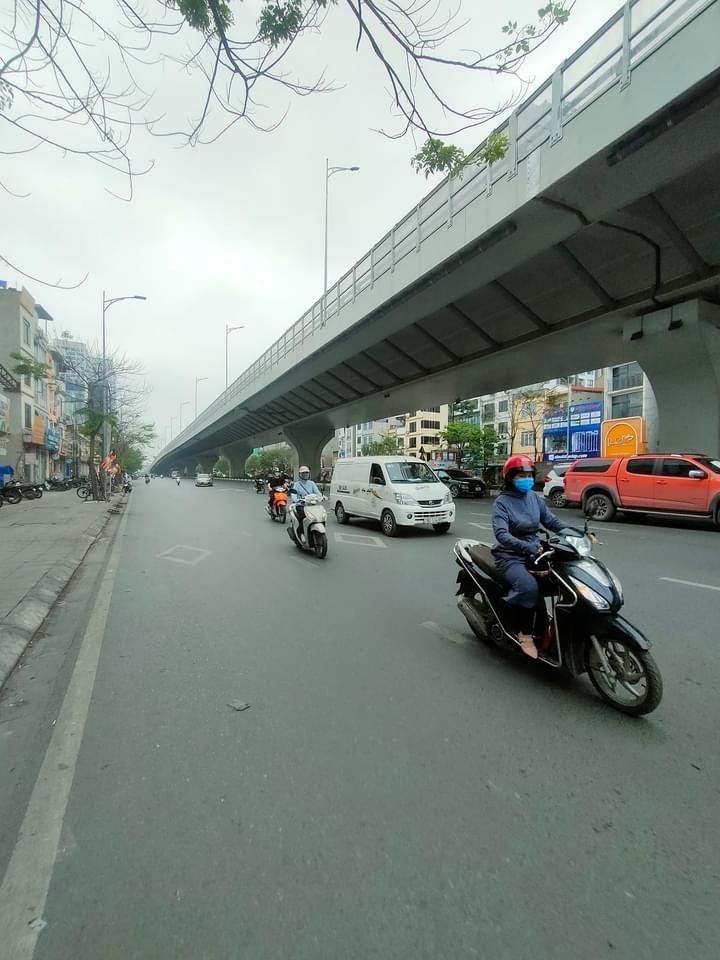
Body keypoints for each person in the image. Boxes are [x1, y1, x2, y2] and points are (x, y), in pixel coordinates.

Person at [492, 455, 565, 660]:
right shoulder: (502, 503)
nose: (527, 479)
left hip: (537, 552)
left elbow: (553, 522)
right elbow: (502, 535)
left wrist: (578, 534)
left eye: (529, 475)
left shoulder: (534, 497)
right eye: (521, 475)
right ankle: (524, 634)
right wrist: (528, 547)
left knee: (564, 581)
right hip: (510, 556)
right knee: (529, 587)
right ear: (510, 478)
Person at [291, 466, 321, 540]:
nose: (305, 474)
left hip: (312, 505)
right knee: (304, 517)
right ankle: (300, 533)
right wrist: (296, 500)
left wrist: (321, 497)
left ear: (309, 474)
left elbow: (318, 493)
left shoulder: (312, 483)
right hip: (301, 505)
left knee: (319, 516)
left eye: (306, 472)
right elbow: (294, 495)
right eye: (303, 473)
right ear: (300, 474)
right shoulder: (296, 484)